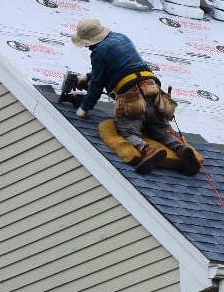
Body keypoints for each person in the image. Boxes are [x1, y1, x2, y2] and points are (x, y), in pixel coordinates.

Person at [69, 18, 200, 175]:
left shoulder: (99, 51)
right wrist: (87, 77)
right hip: (153, 90)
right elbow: (121, 68)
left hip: (132, 96)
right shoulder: (121, 37)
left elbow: (98, 84)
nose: (88, 48)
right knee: (159, 130)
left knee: (128, 132)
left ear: (90, 41)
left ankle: (148, 150)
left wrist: (84, 108)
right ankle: (181, 148)